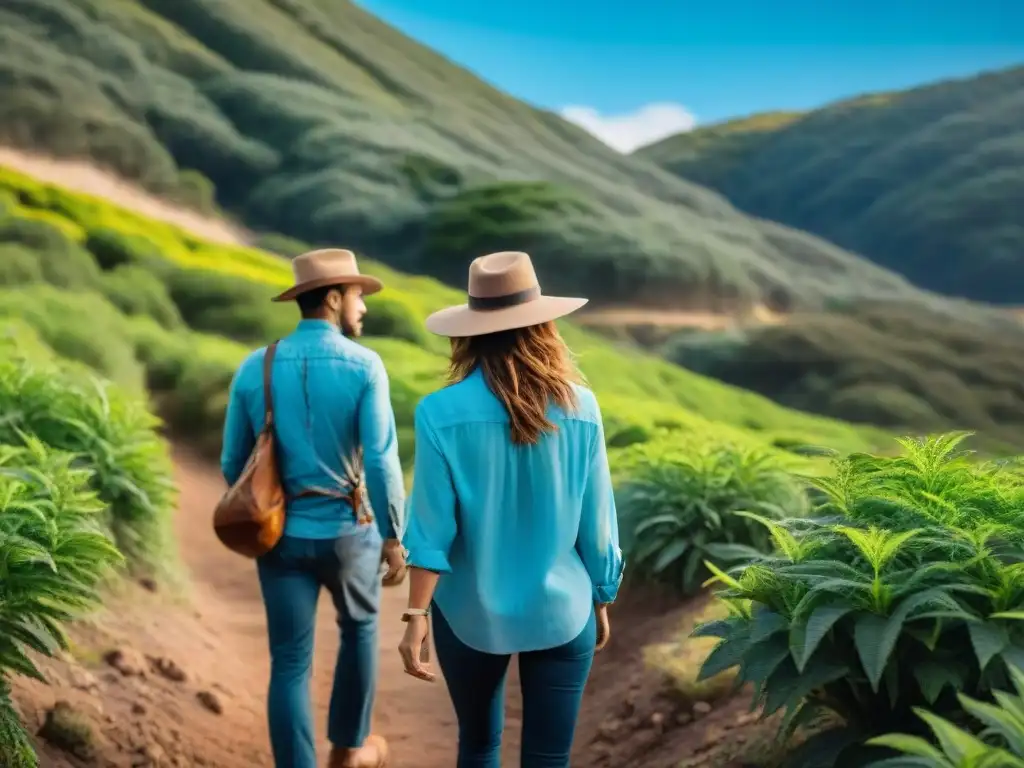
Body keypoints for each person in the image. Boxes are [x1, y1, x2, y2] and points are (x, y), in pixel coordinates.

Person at [398, 251, 624, 767]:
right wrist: (602, 596)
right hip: (564, 610)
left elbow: (431, 529)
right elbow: (597, 524)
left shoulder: (438, 412)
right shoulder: (582, 407)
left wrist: (415, 616)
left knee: (479, 746)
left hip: (468, 612)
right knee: (549, 758)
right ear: (544, 325)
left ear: (470, 331)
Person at [221, 249, 406, 768]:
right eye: (358, 296)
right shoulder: (365, 365)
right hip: (350, 533)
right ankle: (347, 753)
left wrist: (272, 508)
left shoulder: (254, 366)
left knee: (289, 662)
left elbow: (233, 462)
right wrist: (393, 535)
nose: (363, 307)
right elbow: (381, 461)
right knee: (360, 631)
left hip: (279, 538)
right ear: (334, 299)